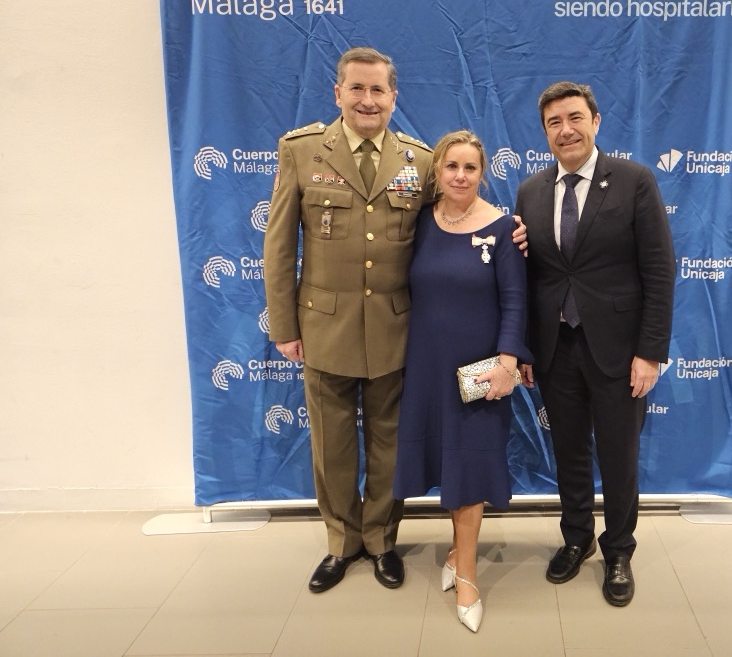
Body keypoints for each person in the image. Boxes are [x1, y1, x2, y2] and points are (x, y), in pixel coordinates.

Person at [263, 46, 434, 593]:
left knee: (389, 443)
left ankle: (381, 540)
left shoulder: (421, 161)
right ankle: (341, 542)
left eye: (377, 90)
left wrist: (503, 234)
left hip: (395, 326)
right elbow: (278, 245)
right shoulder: (302, 151)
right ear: (338, 93)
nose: (367, 100)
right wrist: (285, 326)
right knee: (332, 445)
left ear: (393, 97)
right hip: (324, 326)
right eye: (356, 88)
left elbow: (447, 232)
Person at [514, 82, 675, 607]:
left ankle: (619, 550)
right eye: (554, 123)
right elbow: (531, 277)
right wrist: (526, 348)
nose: (566, 130)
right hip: (556, 348)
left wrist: (650, 352)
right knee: (569, 452)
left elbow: (659, 270)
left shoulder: (633, 181)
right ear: (545, 132)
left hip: (620, 351)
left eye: (574, 118)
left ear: (596, 121)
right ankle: (577, 537)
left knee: (619, 456)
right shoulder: (531, 191)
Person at [393, 130, 531, 632]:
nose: (460, 175)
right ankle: (456, 550)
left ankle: (468, 573)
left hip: (478, 373)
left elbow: (515, 300)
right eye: (451, 166)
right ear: (437, 170)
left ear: (483, 173)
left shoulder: (504, 228)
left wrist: (508, 363)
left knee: (470, 468)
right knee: (446, 462)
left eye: (470, 167)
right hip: (426, 366)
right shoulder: (418, 222)